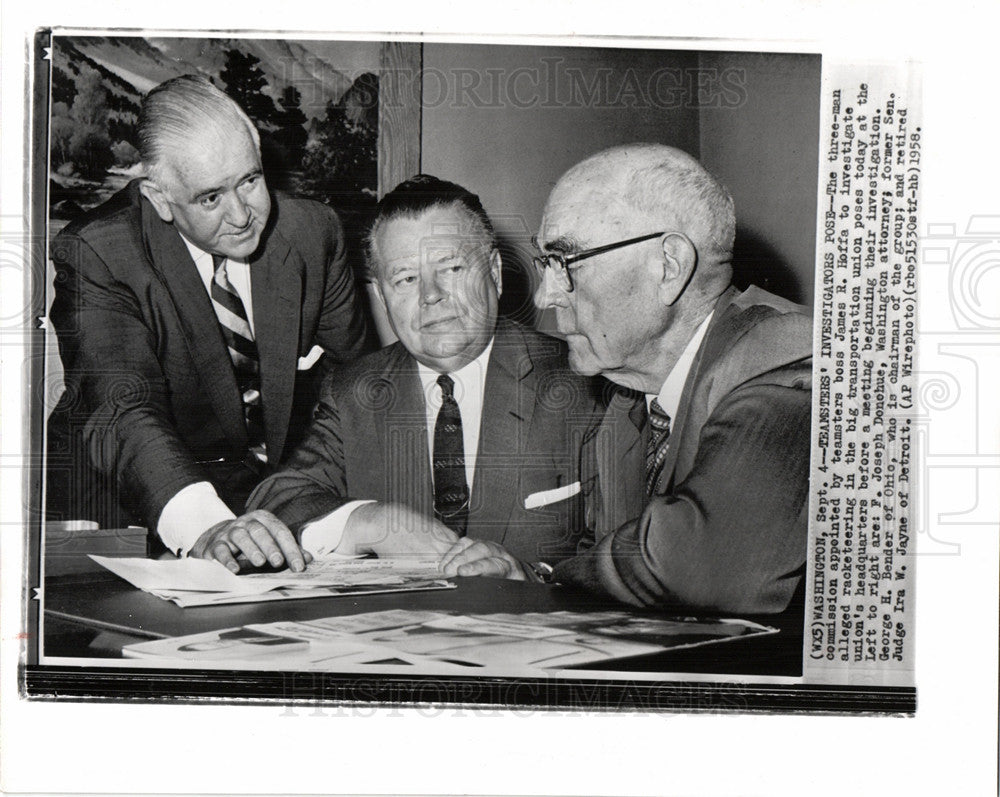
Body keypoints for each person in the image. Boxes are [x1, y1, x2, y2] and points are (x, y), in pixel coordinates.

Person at [466, 143, 813, 614]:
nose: (547, 295)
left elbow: (700, 565)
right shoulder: (629, 404)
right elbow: (621, 555)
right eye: (545, 265)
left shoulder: (789, 357)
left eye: (565, 261)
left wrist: (556, 580)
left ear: (669, 266)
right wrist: (531, 576)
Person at [47, 75, 373, 568]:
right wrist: (204, 524)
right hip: (129, 499)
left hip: (269, 498)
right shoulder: (100, 251)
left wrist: (313, 507)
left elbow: (354, 389)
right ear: (159, 198)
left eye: (250, 180)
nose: (243, 215)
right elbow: (123, 408)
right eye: (210, 198)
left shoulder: (313, 232)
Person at [205, 175, 602, 574]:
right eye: (407, 279)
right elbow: (278, 497)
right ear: (381, 295)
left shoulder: (581, 382)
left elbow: (626, 552)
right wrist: (371, 521)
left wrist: (528, 575)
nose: (431, 295)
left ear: (495, 273)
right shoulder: (354, 391)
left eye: (452, 268)